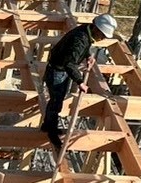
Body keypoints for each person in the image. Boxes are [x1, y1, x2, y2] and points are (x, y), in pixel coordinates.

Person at [41, 14, 117, 150]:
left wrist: (88, 56)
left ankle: (47, 125)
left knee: (57, 100)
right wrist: (80, 82)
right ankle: (51, 131)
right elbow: (69, 64)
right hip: (57, 71)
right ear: (96, 29)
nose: (103, 38)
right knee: (56, 102)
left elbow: (83, 47)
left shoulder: (85, 31)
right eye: (102, 35)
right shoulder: (80, 38)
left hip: (59, 69)